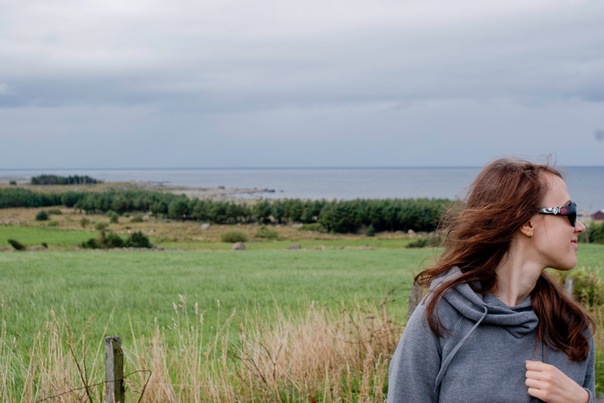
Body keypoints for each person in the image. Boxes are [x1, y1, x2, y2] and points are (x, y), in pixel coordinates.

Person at [387, 158, 596, 403]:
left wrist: (582, 401)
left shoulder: (571, 328)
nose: (580, 226)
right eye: (570, 212)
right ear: (527, 222)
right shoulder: (439, 318)